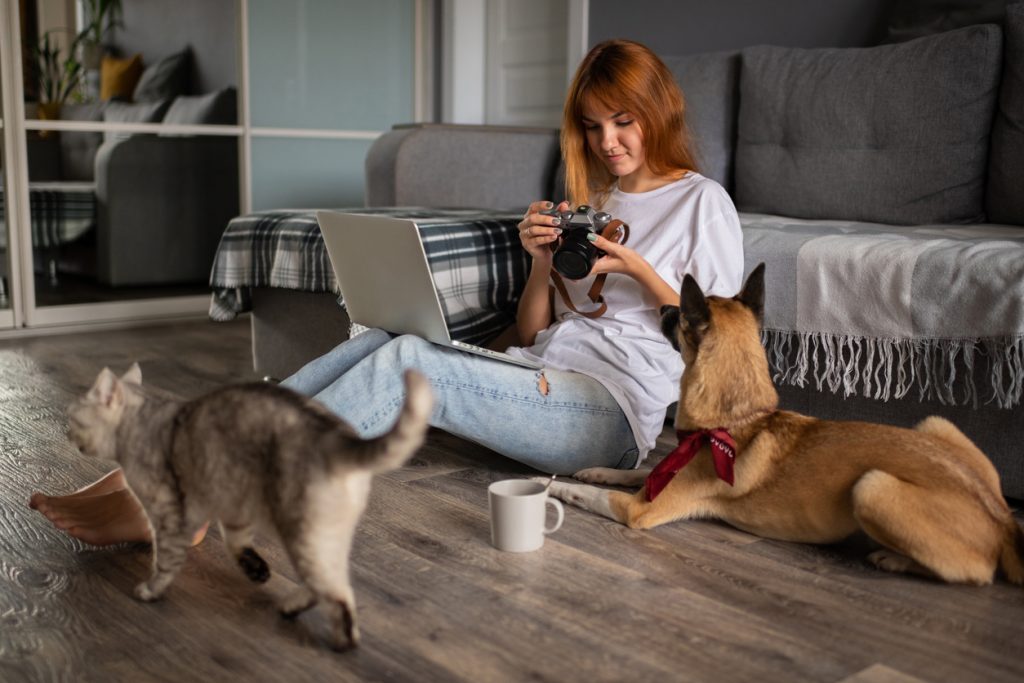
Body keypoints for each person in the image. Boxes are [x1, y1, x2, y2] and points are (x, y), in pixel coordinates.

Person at [29, 38, 744, 546]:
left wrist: (636, 268)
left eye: (623, 121)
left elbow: (719, 337)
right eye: (593, 127)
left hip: (612, 416)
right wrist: (538, 264)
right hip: (542, 377)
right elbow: (532, 336)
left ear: (657, 111)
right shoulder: (594, 202)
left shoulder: (701, 202)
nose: (608, 141)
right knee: (382, 338)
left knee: (414, 363)